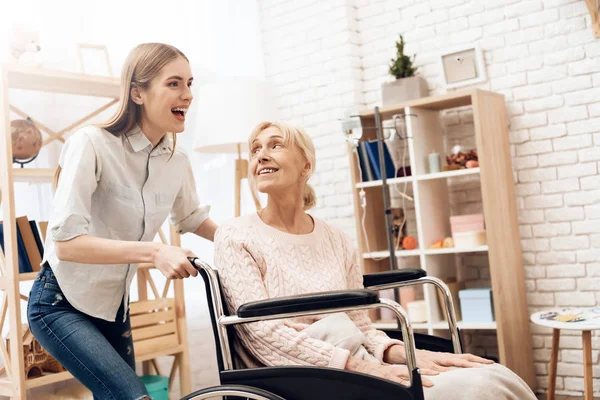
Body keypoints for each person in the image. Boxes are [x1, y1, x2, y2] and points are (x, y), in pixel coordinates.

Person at [214, 121, 537, 399]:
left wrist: (396, 353)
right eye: (255, 149)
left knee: (491, 376)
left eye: (276, 145)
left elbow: (359, 324)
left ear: (306, 166)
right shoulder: (236, 235)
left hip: (352, 354)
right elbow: (260, 334)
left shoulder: (335, 238)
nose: (261, 155)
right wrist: (361, 367)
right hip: (298, 371)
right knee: (465, 392)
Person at [27, 43, 217, 400]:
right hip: (58, 304)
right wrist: (155, 252)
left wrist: (248, 239)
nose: (188, 95)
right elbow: (66, 244)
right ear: (137, 93)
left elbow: (190, 217)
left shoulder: (176, 159)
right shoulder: (92, 144)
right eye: (174, 83)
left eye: (190, 83)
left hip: (114, 309)